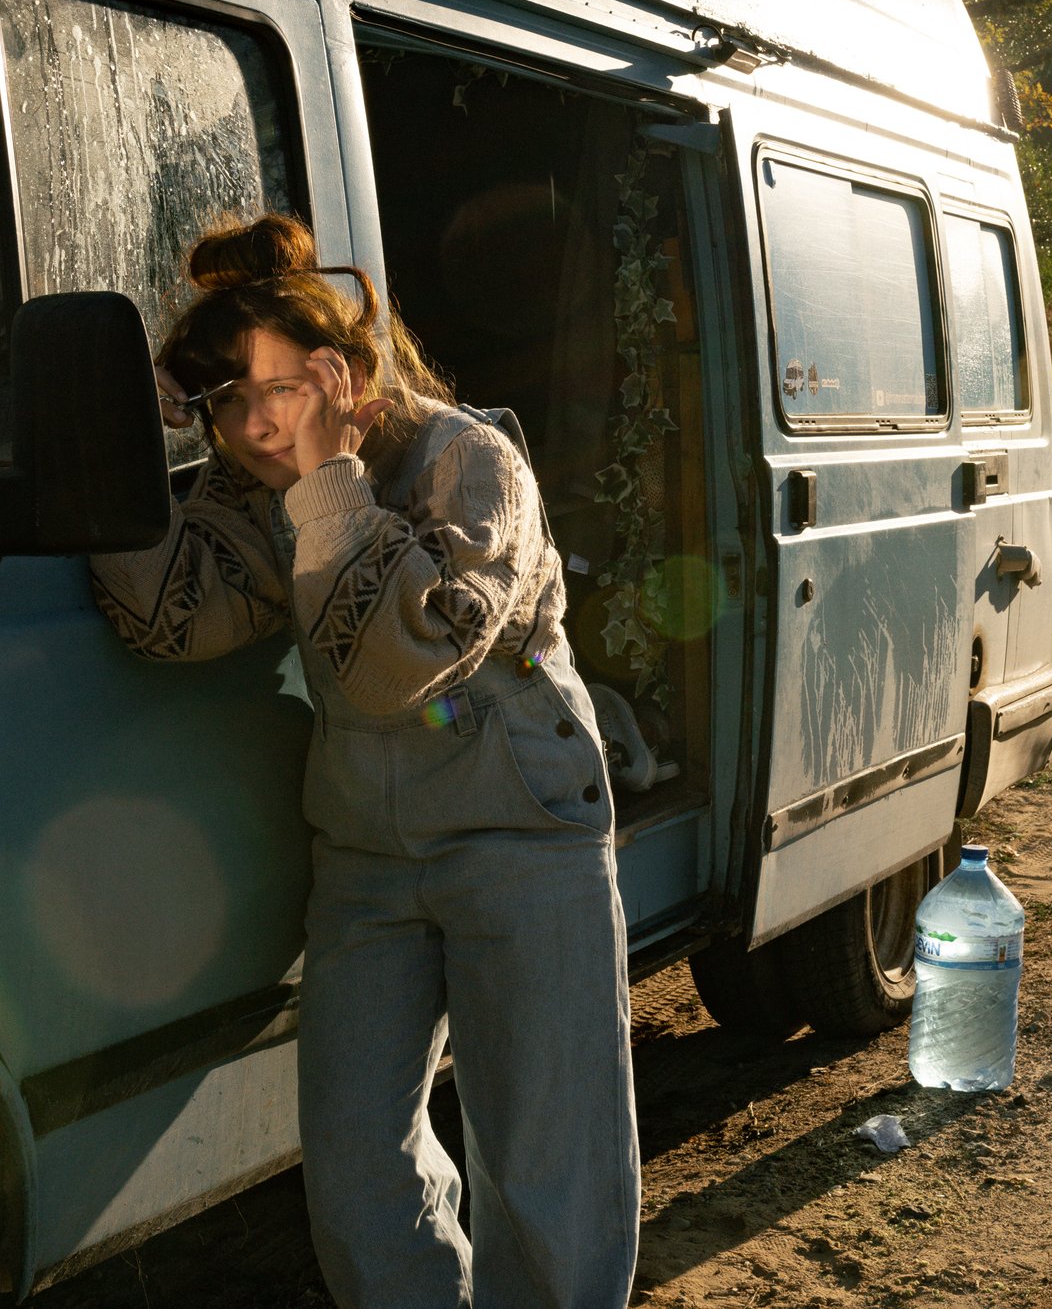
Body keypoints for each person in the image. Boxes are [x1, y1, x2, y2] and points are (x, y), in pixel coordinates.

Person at [89, 213, 640, 1309]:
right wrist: (127, 439)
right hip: (367, 855)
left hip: (520, 832)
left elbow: (405, 661)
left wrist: (331, 475)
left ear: (341, 372)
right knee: (355, 1171)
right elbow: (168, 616)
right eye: (223, 402)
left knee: (542, 1170)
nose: (249, 425)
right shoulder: (255, 486)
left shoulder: (469, 462)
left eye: (274, 391)